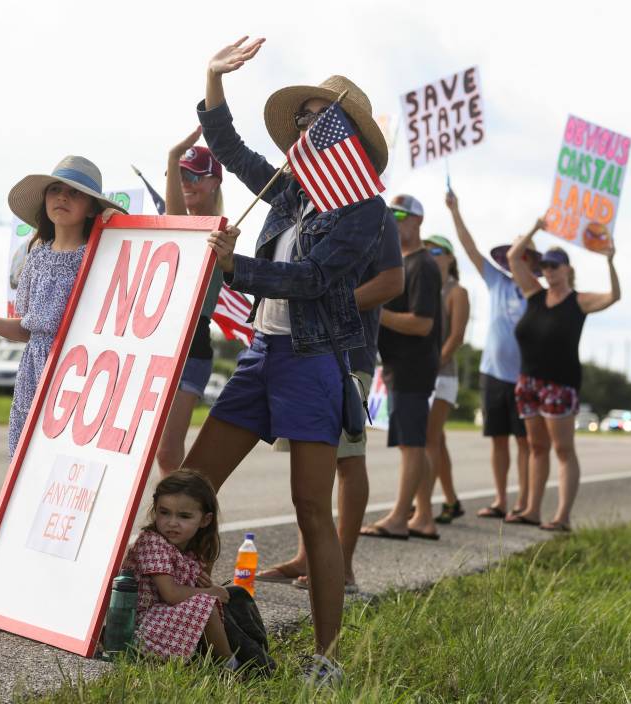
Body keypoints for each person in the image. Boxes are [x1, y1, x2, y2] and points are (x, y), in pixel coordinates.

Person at [182, 36, 391, 685]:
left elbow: (317, 281)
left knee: (310, 507)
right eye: (301, 118)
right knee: (190, 488)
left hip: (314, 362)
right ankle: (190, 618)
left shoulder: (365, 209)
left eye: (317, 120)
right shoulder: (291, 192)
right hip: (262, 354)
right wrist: (213, 78)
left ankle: (325, 658)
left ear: (346, 137)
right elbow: (230, 147)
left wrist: (234, 268)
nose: (304, 127)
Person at [0, 156, 126, 457]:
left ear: (92, 208)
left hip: (79, 367)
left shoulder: (98, 255)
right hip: (34, 369)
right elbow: (27, 329)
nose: (62, 197)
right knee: (28, 455)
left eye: (75, 193)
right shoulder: (35, 256)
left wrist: (111, 222)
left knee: (69, 454)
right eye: (55, 190)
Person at [256, 212, 403, 594]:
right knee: (307, 458)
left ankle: (344, 567)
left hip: (347, 356)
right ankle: (307, 558)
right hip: (298, 351)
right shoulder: (304, 209)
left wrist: (326, 301)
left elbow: (392, 281)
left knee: (348, 458)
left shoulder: (375, 212)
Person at [505, 220, 621, 532]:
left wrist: (609, 261)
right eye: (545, 266)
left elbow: (614, 296)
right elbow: (514, 258)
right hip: (528, 382)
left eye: (554, 266)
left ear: (567, 270)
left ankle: (562, 516)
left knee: (563, 450)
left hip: (560, 384)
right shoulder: (534, 294)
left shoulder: (578, 301)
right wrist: (534, 228)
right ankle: (531, 509)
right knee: (537, 447)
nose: (549, 271)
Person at [445, 190, 534, 520]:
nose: (518, 258)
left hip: (525, 376)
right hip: (493, 373)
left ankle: (525, 503)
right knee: (498, 440)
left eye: (524, 254)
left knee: (525, 443)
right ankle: (500, 500)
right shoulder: (496, 280)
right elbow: (469, 249)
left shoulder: (537, 290)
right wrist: (455, 211)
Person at [360, 194, 443, 541]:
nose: (393, 219)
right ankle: (423, 515)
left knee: (411, 444)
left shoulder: (422, 264)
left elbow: (423, 323)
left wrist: (378, 311)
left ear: (417, 221)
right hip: (399, 364)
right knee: (413, 443)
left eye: (400, 214)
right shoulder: (400, 261)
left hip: (414, 365)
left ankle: (399, 517)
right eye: (389, 213)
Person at [156, 132, 226, 475]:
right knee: (151, 449)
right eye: (179, 175)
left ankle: (179, 522)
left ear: (214, 181)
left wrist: (172, 158)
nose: (185, 182)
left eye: (192, 175)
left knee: (168, 452)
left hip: (192, 342)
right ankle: (171, 518)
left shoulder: (222, 232)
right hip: (160, 337)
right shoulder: (181, 228)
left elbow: (177, 224)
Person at [122, 470, 235, 666]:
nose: (172, 523)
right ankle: (231, 667)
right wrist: (208, 592)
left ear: (205, 520)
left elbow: (184, 592)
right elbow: (171, 594)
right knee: (206, 606)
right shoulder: (153, 543)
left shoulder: (189, 548)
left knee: (234, 597)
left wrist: (203, 587)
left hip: (162, 620)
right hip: (138, 627)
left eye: (184, 516)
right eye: (164, 512)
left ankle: (244, 650)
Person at [421, 235, 470, 524]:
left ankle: (422, 504)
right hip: (418, 371)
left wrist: (433, 364)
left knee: (428, 439)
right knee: (436, 439)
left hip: (442, 375)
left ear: (450, 257)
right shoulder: (423, 286)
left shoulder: (456, 291)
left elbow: (457, 337)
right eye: (426, 251)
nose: (431, 255)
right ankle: (450, 500)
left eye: (437, 251)